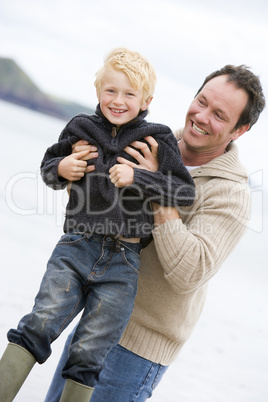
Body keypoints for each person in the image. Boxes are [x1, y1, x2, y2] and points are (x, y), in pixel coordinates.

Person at [44, 64, 265, 402]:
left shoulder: (232, 195)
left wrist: (156, 187)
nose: (202, 116)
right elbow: (92, 209)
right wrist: (74, 166)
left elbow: (189, 272)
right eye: (202, 102)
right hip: (95, 322)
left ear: (241, 130)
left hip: (137, 350)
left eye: (219, 115)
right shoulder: (146, 141)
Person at [0, 48, 195, 402]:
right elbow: (49, 165)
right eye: (110, 91)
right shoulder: (80, 126)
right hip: (76, 247)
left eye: (129, 93)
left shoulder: (159, 137)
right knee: (39, 322)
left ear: (147, 99)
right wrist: (62, 168)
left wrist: (139, 176)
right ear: (98, 91)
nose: (117, 100)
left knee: (90, 353)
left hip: (124, 263)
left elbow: (184, 192)